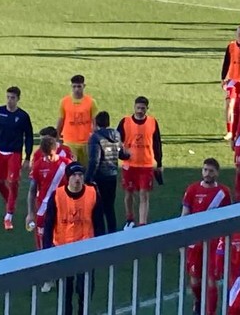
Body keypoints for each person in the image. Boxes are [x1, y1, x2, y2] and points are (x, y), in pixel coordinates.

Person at [43, 162, 106, 315]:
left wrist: (101, 246)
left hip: (86, 249)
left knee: (85, 291)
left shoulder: (92, 194)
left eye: (80, 175)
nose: (78, 179)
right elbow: (49, 225)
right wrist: (46, 252)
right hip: (62, 251)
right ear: (68, 178)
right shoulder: (57, 196)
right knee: (65, 294)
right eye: (74, 176)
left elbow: (99, 224)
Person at [182, 158, 232, 315]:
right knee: (195, 280)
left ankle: (210, 312)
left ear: (217, 173)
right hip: (195, 242)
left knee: (211, 280)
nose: (207, 174)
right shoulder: (192, 190)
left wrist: (225, 242)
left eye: (211, 171)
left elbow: (228, 218)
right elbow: (185, 215)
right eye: (205, 170)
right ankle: (198, 301)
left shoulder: (224, 193)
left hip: (214, 242)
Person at [0, 86, 34, 231]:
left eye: (13, 98)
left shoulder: (23, 116)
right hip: (0, 152)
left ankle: (8, 216)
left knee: (13, 182)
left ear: (18, 99)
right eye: (8, 97)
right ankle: (10, 203)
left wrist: (27, 156)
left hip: (15, 154)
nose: (10, 100)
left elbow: (29, 137)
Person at [25, 135, 69, 292]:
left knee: (63, 241)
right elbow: (32, 191)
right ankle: (48, 279)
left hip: (63, 210)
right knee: (43, 245)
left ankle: (63, 274)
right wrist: (30, 213)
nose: (48, 158)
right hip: (43, 211)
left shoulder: (66, 165)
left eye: (51, 154)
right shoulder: (38, 166)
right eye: (46, 155)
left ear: (55, 149)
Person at [117, 96, 163, 228]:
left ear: (147, 109)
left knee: (144, 194)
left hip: (146, 165)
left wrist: (159, 163)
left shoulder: (152, 122)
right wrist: (121, 152)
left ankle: (142, 223)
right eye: (138, 108)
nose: (140, 111)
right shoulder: (125, 122)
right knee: (129, 193)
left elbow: (157, 144)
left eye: (143, 108)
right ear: (134, 107)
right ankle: (129, 218)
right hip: (129, 165)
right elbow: (116, 139)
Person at [86, 111, 128, 234]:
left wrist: (88, 178)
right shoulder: (116, 135)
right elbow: (122, 154)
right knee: (110, 207)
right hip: (112, 175)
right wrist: (130, 154)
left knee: (97, 207)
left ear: (96, 123)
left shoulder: (95, 137)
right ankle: (112, 233)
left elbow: (94, 160)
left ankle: (99, 234)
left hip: (99, 177)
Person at [57, 74, 98, 167]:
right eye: (74, 86)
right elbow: (61, 120)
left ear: (84, 86)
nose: (76, 89)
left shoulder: (91, 102)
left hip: (86, 142)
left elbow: (95, 121)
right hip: (69, 141)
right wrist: (57, 136)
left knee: (86, 168)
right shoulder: (64, 101)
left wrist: (95, 137)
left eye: (79, 86)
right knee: (70, 168)